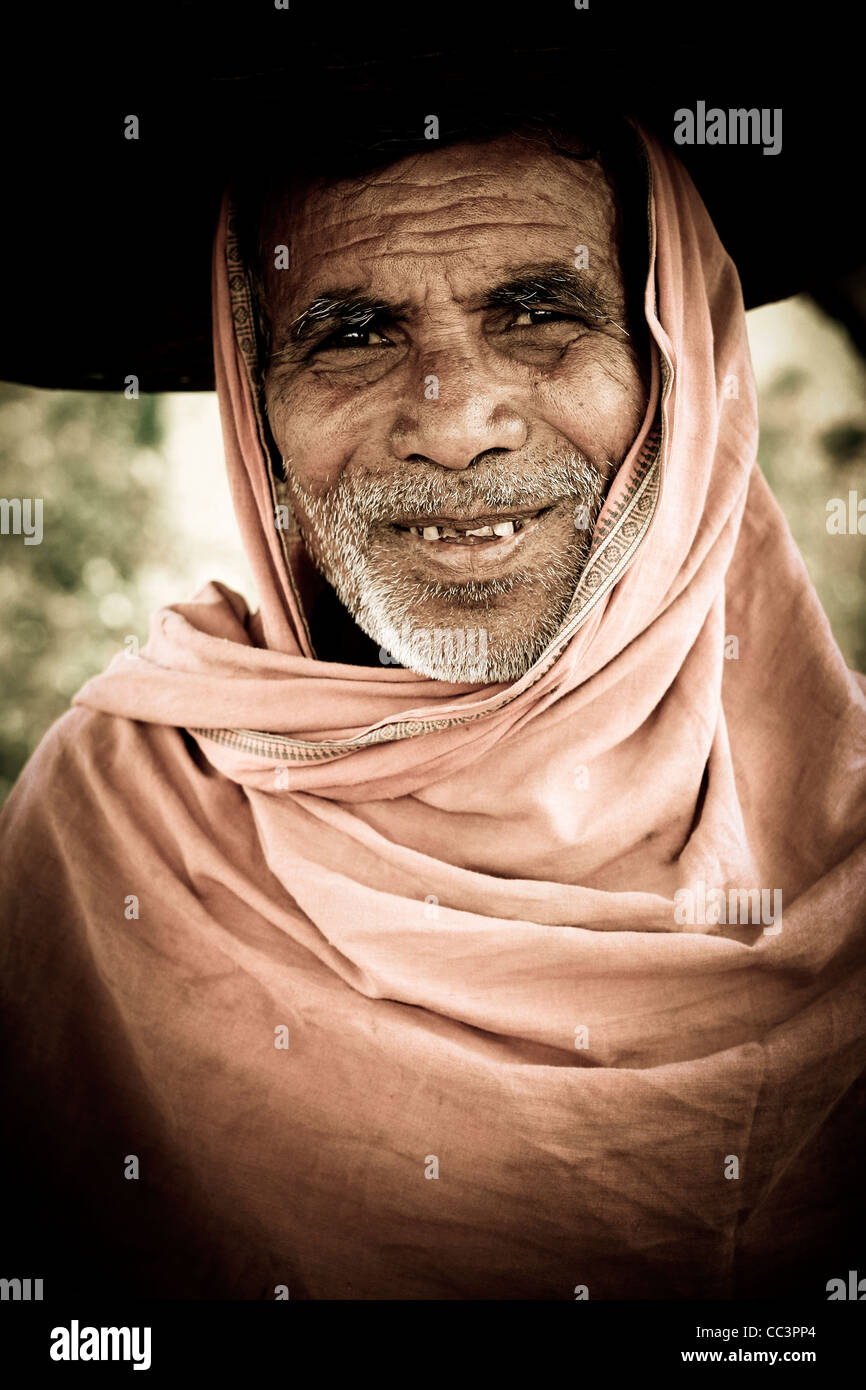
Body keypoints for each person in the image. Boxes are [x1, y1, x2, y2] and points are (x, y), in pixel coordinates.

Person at [1, 111, 864, 1301]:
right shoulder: (118, 808)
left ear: (679, 368)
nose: (455, 422)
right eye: (350, 334)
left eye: (539, 315)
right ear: (259, 410)